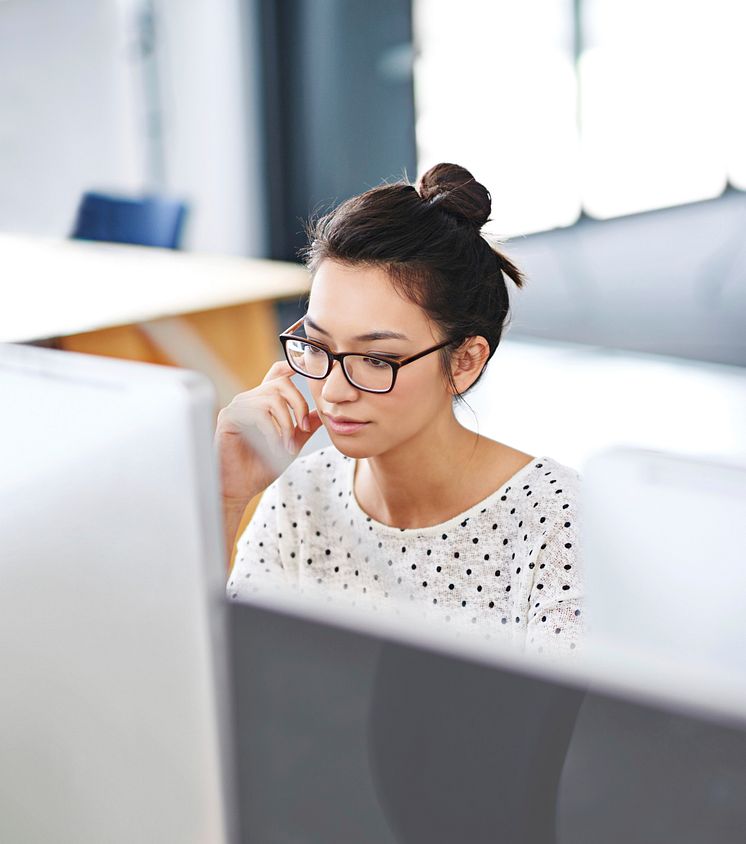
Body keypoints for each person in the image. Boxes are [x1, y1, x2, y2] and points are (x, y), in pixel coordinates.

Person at [216, 163, 584, 657]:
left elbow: (570, 728)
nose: (334, 392)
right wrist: (225, 499)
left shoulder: (555, 521)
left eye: (375, 359)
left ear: (465, 361)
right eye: (317, 346)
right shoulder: (300, 496)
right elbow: (218, 685)